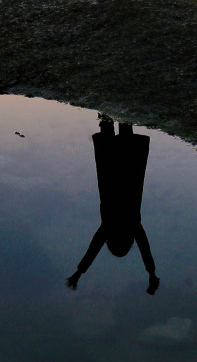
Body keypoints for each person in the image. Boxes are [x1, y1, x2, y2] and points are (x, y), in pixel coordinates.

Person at [66, 116, 159, 295]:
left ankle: (121, 117)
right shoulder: (109, 227)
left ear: (128, 241)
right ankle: (109, 117)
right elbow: (94, 248)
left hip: (129, 177)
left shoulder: (132, 227)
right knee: (108, 138)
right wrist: (79, 272)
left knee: (126, 139)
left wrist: (152, 273)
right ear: (111, 241)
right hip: (110, 178)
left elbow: (145, 249)